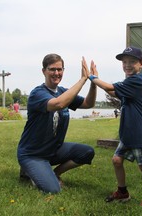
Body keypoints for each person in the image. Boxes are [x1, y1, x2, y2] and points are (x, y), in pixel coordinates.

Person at [85, 46, 142, 206]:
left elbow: (110, 87)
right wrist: (96, 79)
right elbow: (113, 92)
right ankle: (122, 192)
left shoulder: (137, 80)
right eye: (124, 62)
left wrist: (90, 77)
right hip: (128, 133)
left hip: (139, 132)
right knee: (117, 160)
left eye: (132, 61)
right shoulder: (129, 83)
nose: (127, 65)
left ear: (141, 63)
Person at [17, 54, 97, 194]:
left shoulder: (63, 92)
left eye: (60, 69)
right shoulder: (37, 93)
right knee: (53, 189)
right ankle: (29, 169)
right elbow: (58, 104)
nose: (56, 73)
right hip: (33, 153)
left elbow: (88, 103)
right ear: (44, 71)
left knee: (87, 152)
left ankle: (53, 173)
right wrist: (83, 79)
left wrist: (93, 83)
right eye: (52, 69)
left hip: (53, 149)